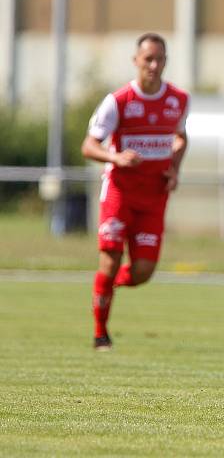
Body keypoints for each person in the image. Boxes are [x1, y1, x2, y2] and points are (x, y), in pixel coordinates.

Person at [81, 33, 189, 351]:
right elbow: (89, 145)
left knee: (143, 271)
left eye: (160, 59)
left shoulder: (178, 100)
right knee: (110, 259)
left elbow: (181, 138)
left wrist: (174, 167)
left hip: (154, 196)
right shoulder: (119, 101)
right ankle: (101, 334)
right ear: (136, 61)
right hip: (120, 193)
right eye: (148, 59)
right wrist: (115, 157)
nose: (154, 65)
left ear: (166, 61)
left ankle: (105, 286)